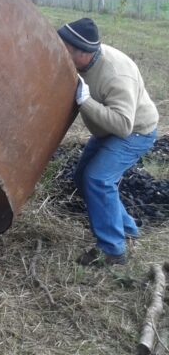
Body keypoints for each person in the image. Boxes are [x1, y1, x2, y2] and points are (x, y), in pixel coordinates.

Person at [58, 17, 158, 266]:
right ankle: (128, 229)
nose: (61, 53)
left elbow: (124, 125)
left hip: (135, 132)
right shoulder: (83, 63)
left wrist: (86, 101)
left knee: (98, 179)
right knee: (83, 178)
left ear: (83, 53)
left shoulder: (115, 74)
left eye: (65, 50)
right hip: (107, 131)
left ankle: (112, 250)